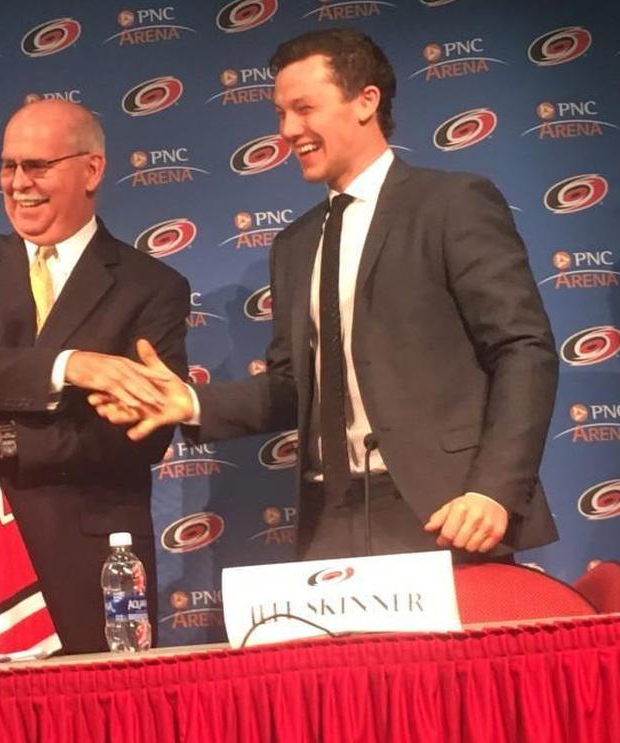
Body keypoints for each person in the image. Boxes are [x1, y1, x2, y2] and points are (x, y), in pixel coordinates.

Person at [91, 28, 558, 561]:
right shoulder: (295, 244)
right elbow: (295, 386)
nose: (288, 130)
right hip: (329, 516)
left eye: (304, 108)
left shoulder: (451, 204)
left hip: (446, 510)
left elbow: (523, 349)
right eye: (280, 113)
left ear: (366, 101)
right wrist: (191, 402)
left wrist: (493, 490)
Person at [0, 98, 190, 654]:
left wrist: (8, 440)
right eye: (8, 166)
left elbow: (142, 433)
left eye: (38, 166)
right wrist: (70, 366)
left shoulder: (152, 288)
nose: (18, 184)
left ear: (91, 170)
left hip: (91, 562)